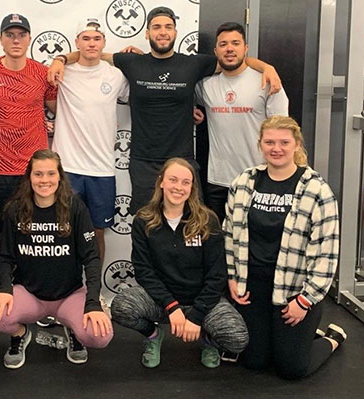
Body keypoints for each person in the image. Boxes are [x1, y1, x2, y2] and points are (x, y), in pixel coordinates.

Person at [47, 6, 282, 213]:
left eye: (168, 27)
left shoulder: (194, 64)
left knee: (189, 227)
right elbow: (93, 53)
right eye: (157, 27)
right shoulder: (132, 62)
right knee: (145, 227)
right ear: (147, 33)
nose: (163, 31)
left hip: (183, 159)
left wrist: (266, 67)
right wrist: (60, 59)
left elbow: (232, 59)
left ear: (175, 33)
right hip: (143, 162)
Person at [224, 115, 345, 380]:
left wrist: (305, 300)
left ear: (296, 144)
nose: (276, 148)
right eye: (269, 142)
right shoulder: (244, 182)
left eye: (283, 142)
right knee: (254, 361)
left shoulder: (317, 190)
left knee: (291, 369)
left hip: (294, 291)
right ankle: (293, 337)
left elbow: (328, 252)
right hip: (253, 286)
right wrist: (233, 277)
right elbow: (229, 234)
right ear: (260, 144)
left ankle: (332, 338)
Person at [0, 149, 112, 369]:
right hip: (30, 295)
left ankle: (74, 330)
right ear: (29, 177)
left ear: (59, 176)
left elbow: (91, 258)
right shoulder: (16, 210)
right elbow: (3, 257)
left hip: (70, 295)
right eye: (38, 174)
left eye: (51, 174)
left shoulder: (75, 207)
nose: (45, 180)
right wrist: (4, 289)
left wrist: (93, 303)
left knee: (101, 336)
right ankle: (20, 335)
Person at [111, 158, 248, 369]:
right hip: (162, 302)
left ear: (192, 187)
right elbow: (144, 272)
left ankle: (207, 339)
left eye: (186, 182)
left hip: (202, 300)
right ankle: (154, 336)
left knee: (237, 338)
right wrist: (171, 306)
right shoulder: (144, 220)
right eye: (173, 180)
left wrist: (197, 316)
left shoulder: (207, 220)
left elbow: (217, 275)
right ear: (161, 182)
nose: (178, 187)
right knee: (122, 307)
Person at [51, 17, 129, 262]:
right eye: (86, 38)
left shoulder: (117, 76)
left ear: (104, 42)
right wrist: (60, 59)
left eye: (97, 38)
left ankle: (93, 293)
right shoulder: (62, 72)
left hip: (102, 170)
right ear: (77, 42)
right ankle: (64, 291)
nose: (91, 44)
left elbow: (146, 101)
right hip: (67, 167)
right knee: (63, 232)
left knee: (97, 233)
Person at [195, 22, 289, 224]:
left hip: (259, 178)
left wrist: (266, 67)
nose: (229, 48)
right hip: (217, 181)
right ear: (215, 51)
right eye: (223, 44)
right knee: (219, 245)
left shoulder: (268, 82)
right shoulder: (206, 86)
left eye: (235, 43)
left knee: (256, 244)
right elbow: (175, 92)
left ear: (245, 48)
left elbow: (283, 133)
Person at [0, 13, 57, 234]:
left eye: (22, 35)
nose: (16, 40)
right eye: (10, 35)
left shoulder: (42, 73)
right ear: (1, 39)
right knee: (4, 235)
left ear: (30, 38)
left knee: (36, 234)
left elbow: (61, 111)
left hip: (35, 169)